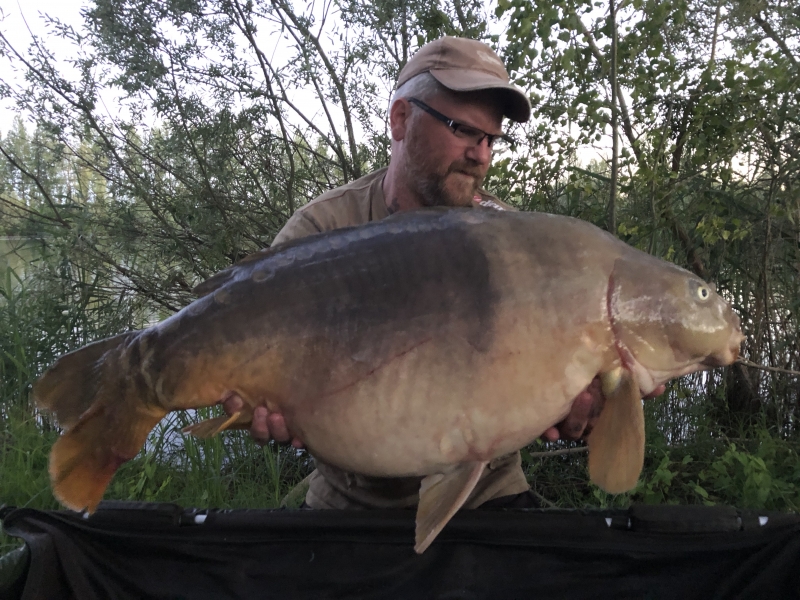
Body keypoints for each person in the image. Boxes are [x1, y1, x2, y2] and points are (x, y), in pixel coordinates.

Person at [222, 36, 664, 509]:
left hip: (486, 491)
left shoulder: (516, 246)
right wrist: (256, 406)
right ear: (400, 119)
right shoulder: (322, 229)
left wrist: (595, 403)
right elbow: (246, 360)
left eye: (490, 138)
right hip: (349, 499)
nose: (482, 155)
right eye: (463, 129)